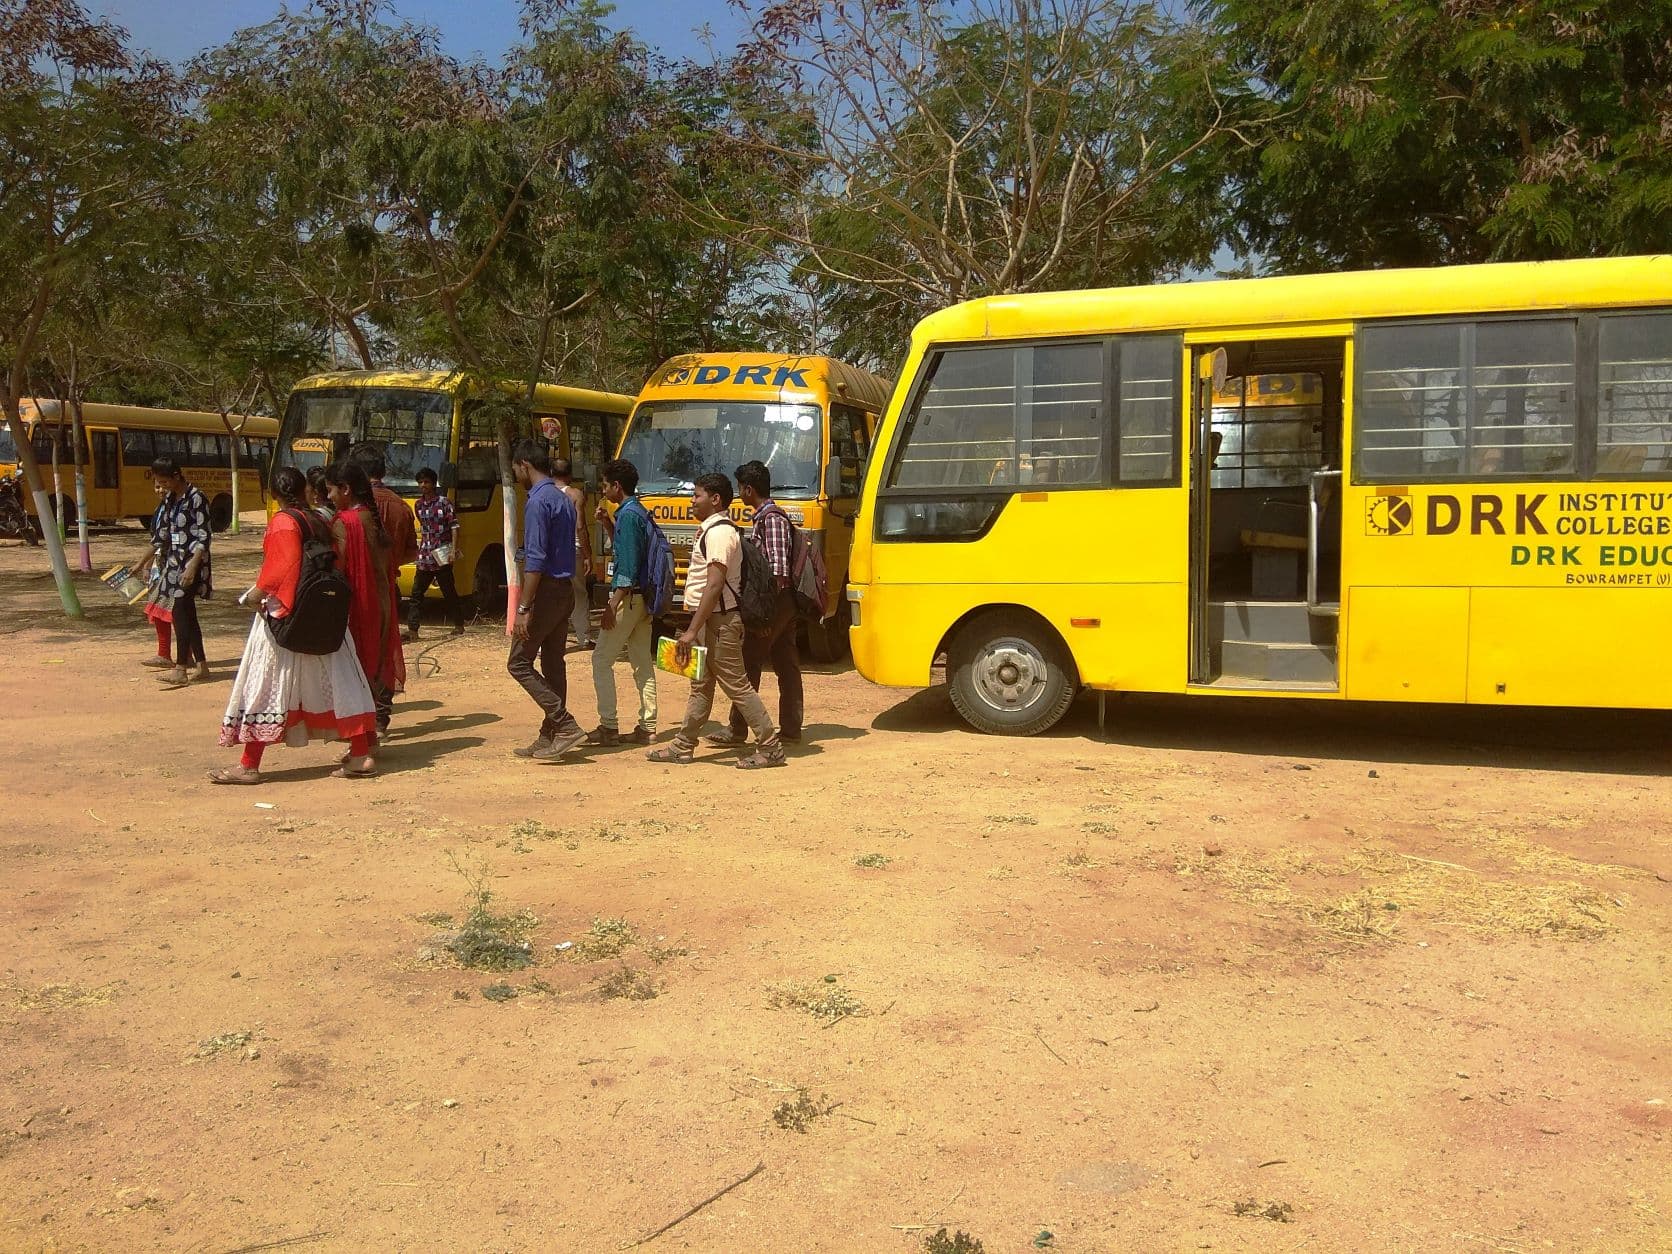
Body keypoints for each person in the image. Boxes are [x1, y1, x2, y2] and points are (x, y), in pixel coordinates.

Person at [210, 467, 379, 784]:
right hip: (325, 615)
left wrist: (253, 598)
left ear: (273, 494)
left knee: (266, 686)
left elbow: (279, 569)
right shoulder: (319, 519)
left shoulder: (283, 522)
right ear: (304, 490)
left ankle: (249, 764)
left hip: (286, 618)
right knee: (342, 683)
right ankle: (360, 754)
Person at [647, 473, 784, 770]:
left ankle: (771, 747)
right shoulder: (711, 531)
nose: (692, 501)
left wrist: (692, 630)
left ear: (715, 499)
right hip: (710, 621)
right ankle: (683, 746)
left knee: (738, 686)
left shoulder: (720, 534)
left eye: (697, 496)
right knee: (700, 686)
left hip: (719, 624)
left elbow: (714, 585)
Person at [710, 460, 803, 746]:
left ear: (749, 489)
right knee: (786, 663)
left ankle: (738, 728)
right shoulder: (764, 517)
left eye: (740, 488)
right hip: (781, 604)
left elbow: (777, 572)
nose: (739, 493)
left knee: (748, 661)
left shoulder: (771, 519)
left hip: (776, 603)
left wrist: (765, 617)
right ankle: (790, 729)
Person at [506, 438, 586, 761]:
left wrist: (524, 607)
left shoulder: (538, 502)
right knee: (554, 663)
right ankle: (550, 733)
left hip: (544, 592)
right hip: (563, 588)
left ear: (525, 464)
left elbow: (536, 561)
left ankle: (564, 725)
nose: (514, 474)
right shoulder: (563, 498)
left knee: (518, 662)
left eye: (515, 468)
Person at [324, 459, 404, 749]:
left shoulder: (345, 523)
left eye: (331, 490)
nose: (329, 497)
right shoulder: (371, 519)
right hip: (382, 607)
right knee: (370, 672)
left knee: (352, 676)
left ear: (345, 489)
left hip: (358, 610)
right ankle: (369, 738)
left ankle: (360, 748)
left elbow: (338, 571)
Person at [585, 458, 656, 747]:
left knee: (601, 658)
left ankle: (608, 725)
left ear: (617, 486)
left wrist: (612, 604)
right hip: (645, 599)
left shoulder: (628, 515)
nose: (603, 490)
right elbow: (630, 550)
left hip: (628, 599)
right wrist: (607, 523)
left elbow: (626, 565)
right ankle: (648, 726)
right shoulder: (637, 512)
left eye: (605, 485)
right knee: (642, 663)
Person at [346, 444, 411, 735]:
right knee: (385, 649)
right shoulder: (400, 505)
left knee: (359, 651)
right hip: (389, 588)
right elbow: (412, 551)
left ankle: (362, 718)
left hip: (358, 590)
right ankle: (381, 716)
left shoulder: (354, 509)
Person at [148, 456, 213, 689]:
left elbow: (204, 536)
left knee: (179, 611)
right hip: (173, 566)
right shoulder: (169, 501)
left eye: (165, 482)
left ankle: (180, 669)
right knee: (187, 613)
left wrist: (193, 566)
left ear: (176, 476)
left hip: (191, 566)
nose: (162, 487)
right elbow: (161, 536)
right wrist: (141, 563)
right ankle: (202, 665)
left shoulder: (197, 498)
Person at [406, 466, 465, 640]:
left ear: (433, 484)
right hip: (425, 556)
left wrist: (453, 549)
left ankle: (459, 625)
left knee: (449, 591)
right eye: (421, 482)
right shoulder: (418, 505)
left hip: (442, 555)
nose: (423, 485)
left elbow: (454, 526)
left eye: (426, 482)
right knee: (416, 593)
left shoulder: (444, 503)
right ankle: (413, 629)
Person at [551, 458, 596, 649]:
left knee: (549, 594)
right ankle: (583, 637)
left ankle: (542, 641)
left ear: (552, 474)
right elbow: (580, 526)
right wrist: (588, 555)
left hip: (551, 551)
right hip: (573, 550)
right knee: (579, 593)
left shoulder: (543, 493)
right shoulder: (575, 494)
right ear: (570, 475)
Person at [132, 477, 174, 668]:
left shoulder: (177, 508)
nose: (160, 490)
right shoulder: (161, 509)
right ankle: (173, 654)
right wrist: (148, 566)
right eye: (157, 486)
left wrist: (140, 564)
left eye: (164, 485)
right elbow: (155, 540)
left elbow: (159, 541)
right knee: (164, 611)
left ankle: (169, 655)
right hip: (161, 564)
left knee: (171, 611)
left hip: (174, 567)